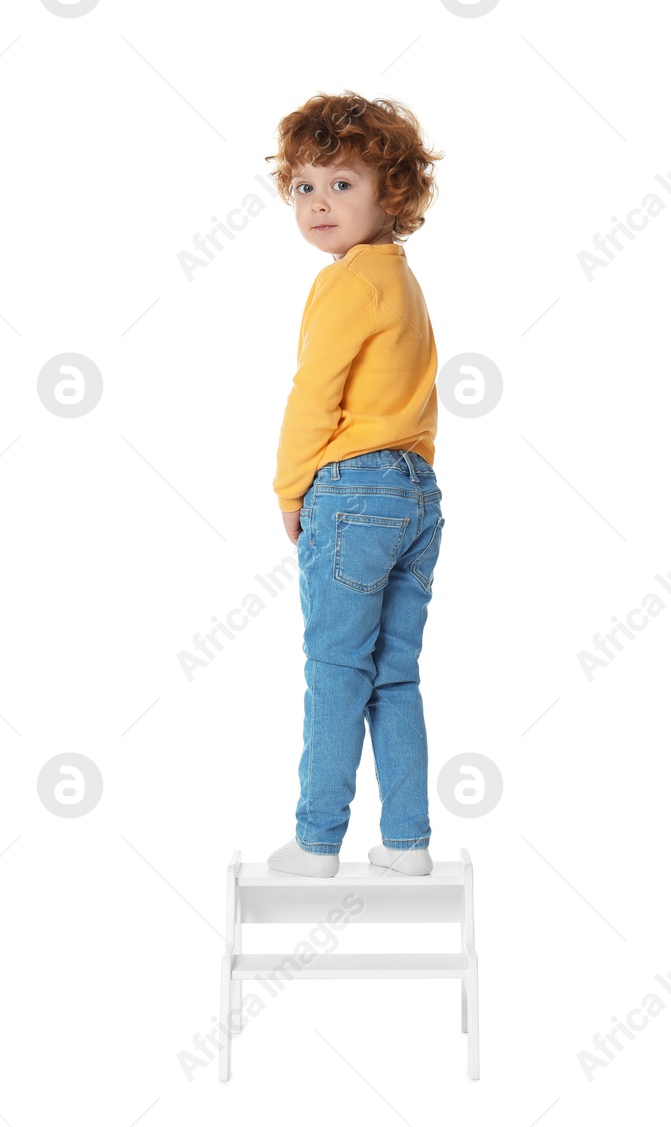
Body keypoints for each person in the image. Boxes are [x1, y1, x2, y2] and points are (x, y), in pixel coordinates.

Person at [263, 91, 446, 878]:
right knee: (394, 673)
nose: (318, 203)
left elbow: (317, 393)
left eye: (342, 184)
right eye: (304, 186)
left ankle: (317, 840)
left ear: (391, 193)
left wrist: (289, 488)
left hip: (353, 491)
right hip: (416, 491)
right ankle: (407, 841)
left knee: (336, 669)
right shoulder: (401, 281)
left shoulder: (346, 283)